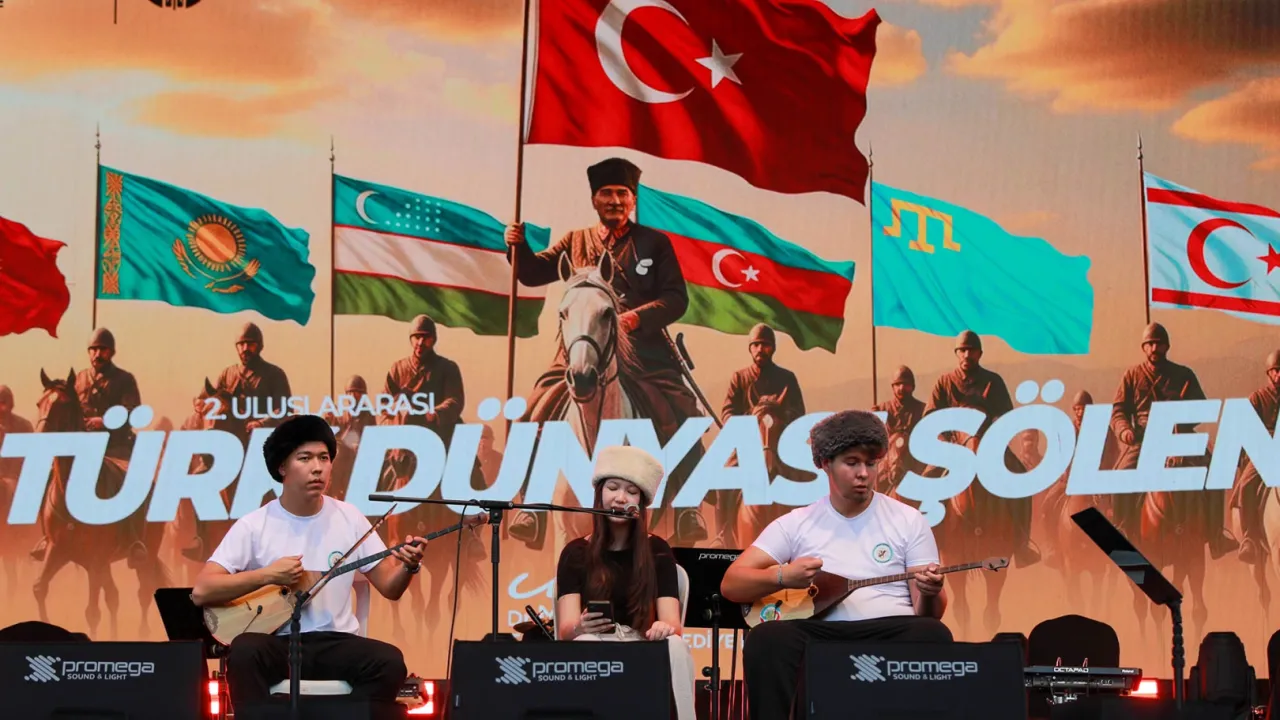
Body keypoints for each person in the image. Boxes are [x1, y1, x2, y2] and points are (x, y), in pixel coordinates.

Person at [720, 410, 953, 720]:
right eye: (852, 463)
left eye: (871, 463)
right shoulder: (797, 523)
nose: (864, 474)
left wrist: (931, 592)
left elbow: (929, 613)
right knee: (766, 639)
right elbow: (732, 584)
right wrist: (783, 576)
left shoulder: (908, 519)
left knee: (932, 632)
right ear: (825, 463)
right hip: (820, 631)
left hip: (889, 627)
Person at [191, 414, 426, 710]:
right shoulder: (254, 524)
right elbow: (202, 591)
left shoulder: (350, 517)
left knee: (389, 661)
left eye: (324, 458)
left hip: (336, 643)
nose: (318, 468)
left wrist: (408, 566)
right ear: (282, 467)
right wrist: (267, 576)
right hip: (279, 644)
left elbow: (390, 587)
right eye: (305, 458)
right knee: (243, 652)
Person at [554, 444, 696, 719]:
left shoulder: (658, 550)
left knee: (676, 645)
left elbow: (673, 623)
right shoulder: (575, 553)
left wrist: (663, 627)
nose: (620, 498)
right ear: (599, 493)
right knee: (585, 641)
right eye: (612, 488)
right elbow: (565, 630)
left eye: (631, 492)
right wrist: (580, 626)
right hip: (597, 643)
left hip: (643, 645)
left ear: (640, 504)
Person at [1110, 322, 1236, 558]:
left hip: (1180, 437)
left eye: (1158, 344)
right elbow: (1118, 411)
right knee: (1120, 475)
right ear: (1143, 347)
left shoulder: (1184, 374)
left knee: (1213, 472)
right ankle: (1122, 529)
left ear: (1166, 346)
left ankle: (1216, 535)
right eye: (1149, 344)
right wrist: (1124, 430)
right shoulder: (1131, 375)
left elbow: (1201, 409)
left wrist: (1181, 417)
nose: (1154, 348)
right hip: (1144, 438)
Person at [924, 330, 1039, 567]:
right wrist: (945, 441)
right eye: (963, 350)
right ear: (957, 353)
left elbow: (1005, 414)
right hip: (953, 447)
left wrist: (995, 431)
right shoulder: (944, 382)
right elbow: (930, 417)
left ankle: (1021, 543)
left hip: (989, 446)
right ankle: (926, 543)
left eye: (972, 350)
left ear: (979, 354)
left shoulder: (993, 381)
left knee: (1020, 477)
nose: (967, 354)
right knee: (926, 482)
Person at [32, 327, 143, 563]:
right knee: (50, 477)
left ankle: (133, 539)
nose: (97, 354)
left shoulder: (124, 380)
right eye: (93, 349)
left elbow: (133, 412)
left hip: (115, 447)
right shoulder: (78, 379)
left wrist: (104, 421)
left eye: (102, 349)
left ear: (111, 352)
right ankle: (47, 536)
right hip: (83, 448)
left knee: (128, 484)